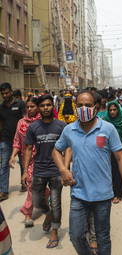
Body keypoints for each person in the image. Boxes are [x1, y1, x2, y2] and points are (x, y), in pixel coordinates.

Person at [52, 91, 122, 255]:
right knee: (75, 236)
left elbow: (120, 159)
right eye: (80, 105)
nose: (84, 108)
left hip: (103, 194)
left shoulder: (108, 128)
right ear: (76, 107)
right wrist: (63, 170)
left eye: (88, 105)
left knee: (103, 237)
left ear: (96, 107)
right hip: (78, 192)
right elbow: (56, 150)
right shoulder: (70, 130)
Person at [22, 95, 67, 248]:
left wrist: (65, 168)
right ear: (39, 108)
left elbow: (67, 148)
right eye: (42, 106)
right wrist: (25, 172)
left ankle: (55, 230)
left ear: (53, 106)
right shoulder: (33, 127)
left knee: (56, 202)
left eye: (48, 105)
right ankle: (47, 214)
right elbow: (28, 149)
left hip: (56, 170)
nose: (46, 108)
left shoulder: (62, 126)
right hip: (39, 170)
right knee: (37, 203)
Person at [9, 97, 50, 227]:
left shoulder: (43, 122)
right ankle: (28, 212)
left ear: (37, 107)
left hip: (41, 158)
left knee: (35, 185)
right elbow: (17, 140)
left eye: (32, 106)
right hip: (27, 159)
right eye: (27, 107)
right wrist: (12, 156)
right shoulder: (21, 122)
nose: (29, 109)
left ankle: (38, 201)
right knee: (32, 184)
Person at [0, 83, 26, 201]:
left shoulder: (20, 104)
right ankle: (3, 190)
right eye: (2, 94)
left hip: (21, 140)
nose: (5, 95)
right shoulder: (1, 107)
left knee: (23, 162)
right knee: (4, 164)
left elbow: (25, 120)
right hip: (5, 140)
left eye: (7, 93)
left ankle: (24, 183)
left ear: (11, 92)